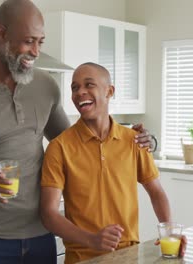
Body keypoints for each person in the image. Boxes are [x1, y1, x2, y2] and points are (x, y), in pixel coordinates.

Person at [0, 1, 152, 263]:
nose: (35, 52)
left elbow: (75, 144)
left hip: (41, 236)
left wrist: (139, 140)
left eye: (40, 42)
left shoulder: (46, 86)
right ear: (2, 34)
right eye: (28, 41)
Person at [40, 62, 185, 264]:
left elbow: (156, 192)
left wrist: (169, 232)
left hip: (128, 256)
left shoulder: (133, 140)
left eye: (89, 85)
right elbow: (48, 214)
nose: (80, 92)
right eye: (75, 87)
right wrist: (92, 240)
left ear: (109, 91)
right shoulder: (59, 147)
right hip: (82, 259)